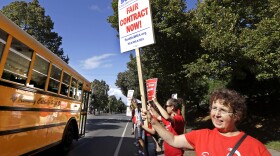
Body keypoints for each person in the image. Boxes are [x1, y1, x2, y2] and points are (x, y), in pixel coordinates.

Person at [143, 88, 271, 156]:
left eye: (223, 110)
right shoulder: (201, 136)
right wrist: (153, 122)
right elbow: (173, 140)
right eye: (214, 108)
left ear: (236, 115)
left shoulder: (256, 148)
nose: (216, 114)